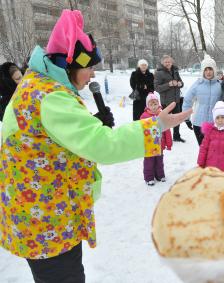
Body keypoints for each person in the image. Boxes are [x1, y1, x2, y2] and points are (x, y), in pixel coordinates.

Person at [0, 10, 191, 283]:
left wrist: (88, 121)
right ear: (68, 65)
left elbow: (46, 138)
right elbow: (103, 145)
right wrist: (156, 126)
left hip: (38, 212)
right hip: (46, 219)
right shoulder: (50, 96)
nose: (91, 75)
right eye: (89, 67)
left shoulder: (37, 84)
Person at [182, 54, 221, 145]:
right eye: (205, 70)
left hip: (216, 124)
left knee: (214, 151)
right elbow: (187, 101)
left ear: (214, 70)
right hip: (199, 123)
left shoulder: (220, 85)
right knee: (203, 150)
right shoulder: (197, 84)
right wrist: (186, 118)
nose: (208, 72)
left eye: (210, 69)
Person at [140, 92, 172, 186]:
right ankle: (149, 177)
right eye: (151, 104)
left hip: (160, 144)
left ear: (159, 104)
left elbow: (167, 130)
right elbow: (140, 131)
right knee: (149, 161)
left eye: (155, 104)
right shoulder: (144, 116)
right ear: (147, 105)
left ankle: (160, 175)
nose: (153, 106)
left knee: (159, 161)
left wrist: (169, 143)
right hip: (149, 145)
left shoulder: (162, 115)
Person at [154, 55, 186, 142]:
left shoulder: (175, 71)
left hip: (176, 100)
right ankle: (164, 137)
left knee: (177, 119)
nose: (168, 63)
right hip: (166, 101)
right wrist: (169, 84)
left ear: (172, 62)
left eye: (169, 62)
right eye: (166, 62)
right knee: (165, 121)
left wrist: (180, 84)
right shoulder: (159, 73)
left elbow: (181, 82)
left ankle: (176, 136)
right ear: (162, 63)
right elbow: (157, 88)